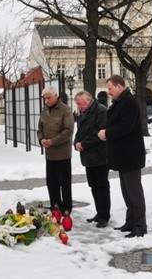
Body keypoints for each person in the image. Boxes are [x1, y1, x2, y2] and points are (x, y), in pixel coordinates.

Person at [98, 74, 147, 238]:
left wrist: (107, 133)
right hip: (123, 156)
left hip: (130, 155)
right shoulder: (121, 102)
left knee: (134, 193)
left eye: (110, 88)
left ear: (119, 86)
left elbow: (125, 127)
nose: (109, 92)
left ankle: (140, 226)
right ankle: (130, 222)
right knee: (127, 192)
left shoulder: (130, 102)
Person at [73, 90, 111, 228]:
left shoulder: (101, 111)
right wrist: (76, 143)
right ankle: (99, 212)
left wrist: (83, 144)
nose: (78, 106)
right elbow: (79, 131)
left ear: (88, 101)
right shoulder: (84, 112)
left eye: (79, 103)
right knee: (93, 186)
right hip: (88, 156)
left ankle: (104, 216)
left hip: (100, 155)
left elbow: (99, 132)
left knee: (102, 186)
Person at [37, 85, 74, 214]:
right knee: (51, 183)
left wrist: (53, 141)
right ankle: (55, 206)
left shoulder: (66, 110)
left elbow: (68, 131)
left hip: (62, 154)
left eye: (48, 98)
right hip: (50, 154)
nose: (46, 100)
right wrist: (41, 139)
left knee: (64, 183)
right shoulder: (45, 110)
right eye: (44, 98)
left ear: (56, 96)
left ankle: (67, 207)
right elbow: (40, 128)